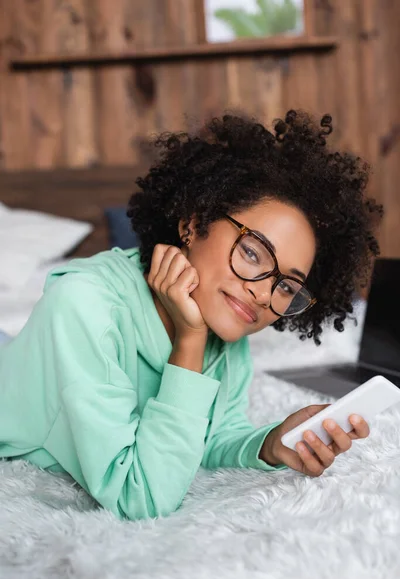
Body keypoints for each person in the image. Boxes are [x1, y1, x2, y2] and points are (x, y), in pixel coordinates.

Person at [0, 110, 383, 522]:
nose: (261, 293)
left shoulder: (225, 319)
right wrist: (190, 341)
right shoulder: (83, 306)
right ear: (193, 222)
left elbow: (210, 435)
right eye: (253, 252)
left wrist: (271, 442)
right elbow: (142, 496)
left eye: (286, 286)